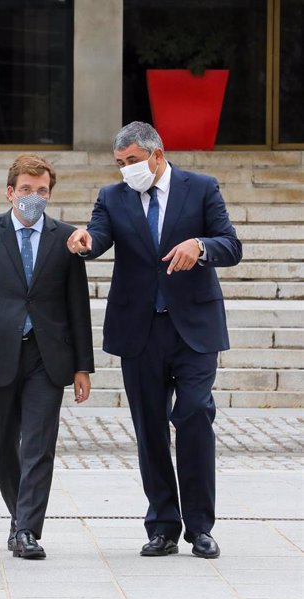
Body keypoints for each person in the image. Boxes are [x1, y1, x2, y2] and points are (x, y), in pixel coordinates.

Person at [67, 121, 242, 559]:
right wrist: (85, 242)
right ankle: (163, 523)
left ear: (157, 154)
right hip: (140, 331)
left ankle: (200, 526)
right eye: (120, 164)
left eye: (132, 161)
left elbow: (231, 245)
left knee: (195, 415)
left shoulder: (200, 188)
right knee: (149, 427)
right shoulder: (113, 197)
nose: (127, 170)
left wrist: (200, 246)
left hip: (194, 329)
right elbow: (98, 236)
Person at [0, 153, 94, 560]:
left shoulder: (65, 237)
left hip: (47, 357)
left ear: (49, 194)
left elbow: (78, 306)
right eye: (26, 190)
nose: (34, 197)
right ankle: (21, 518)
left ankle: (27, 531)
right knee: (1, 443)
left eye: (42, 191)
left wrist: (83, 365)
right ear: (10, 192)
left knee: (39, 444)